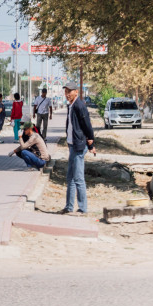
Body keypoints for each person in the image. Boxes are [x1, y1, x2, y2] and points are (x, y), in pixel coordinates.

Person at [60, 81, 96, 215]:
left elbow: (87, 125)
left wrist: (91, 143)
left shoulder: (79, 106)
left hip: (79, 145)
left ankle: (83, 208)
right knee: (70, 177)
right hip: (72, 144)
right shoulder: (71, 105)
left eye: (69, 91)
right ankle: (69, 207)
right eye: (65, 92)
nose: (67, 94)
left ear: (76, 92)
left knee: (78, 178)